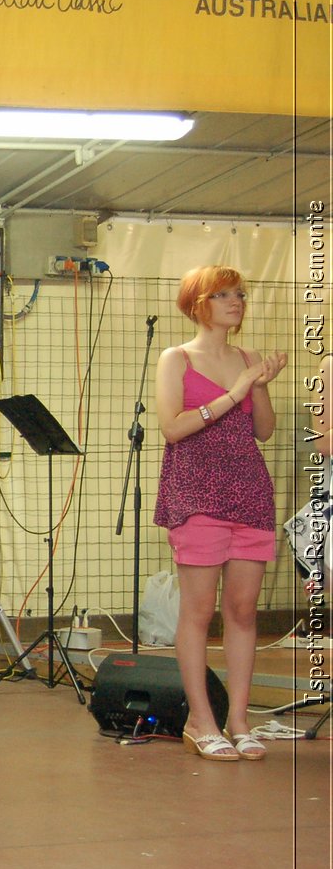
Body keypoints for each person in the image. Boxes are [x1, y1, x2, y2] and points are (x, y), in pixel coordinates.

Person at [153, 266, 286, 761]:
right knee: (199, 609)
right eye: (225, 294)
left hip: (248, 491)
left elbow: (265, 431)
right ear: (199, 302)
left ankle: (239, 720)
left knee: (244, 609)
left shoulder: (247, 357)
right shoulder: (177, 358)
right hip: (196, 491)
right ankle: (201, 720)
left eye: (241, 294)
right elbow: (172, 428)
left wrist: (259, 384)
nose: (237, 302)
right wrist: (234, 392)